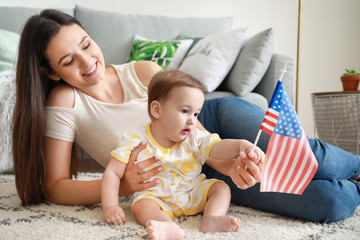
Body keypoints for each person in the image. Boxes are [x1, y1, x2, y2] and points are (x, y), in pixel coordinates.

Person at [12, 9, 359, 224]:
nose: (88, 63)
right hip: (187, 181)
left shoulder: (144, 70)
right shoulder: (64, 100)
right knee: (330, 202)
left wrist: (234, 162)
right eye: (69, 61)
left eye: (86, 45)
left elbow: (201, 137)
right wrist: (123, 185)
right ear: (51, 72)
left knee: (312, 159)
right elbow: (55, 188)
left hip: (211, 127)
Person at [101, 70, 265, 239]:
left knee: (221, 188)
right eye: (185, 111)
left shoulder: (193, 136)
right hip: (157, 199)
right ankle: (166, 226)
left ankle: (211, 219)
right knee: (141, 206)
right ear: (157, 110)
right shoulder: (135, 138)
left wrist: (241, 146)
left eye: (196, 114)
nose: (192, 120)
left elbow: (217, 147)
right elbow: (113, 172)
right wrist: (111, 206)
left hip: (192, 192)